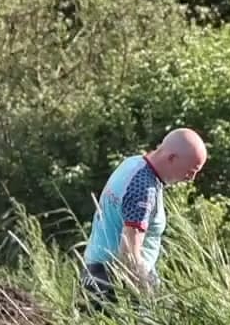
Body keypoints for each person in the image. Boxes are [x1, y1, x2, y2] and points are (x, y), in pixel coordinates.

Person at [79, 127, 208, 306]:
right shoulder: (144, 190)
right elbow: (129, 253)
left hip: (94, 272)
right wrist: (147, 297)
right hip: (115, 284)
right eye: (191, 170)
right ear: (172, 158)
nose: (191, 178)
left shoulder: (133, 164)